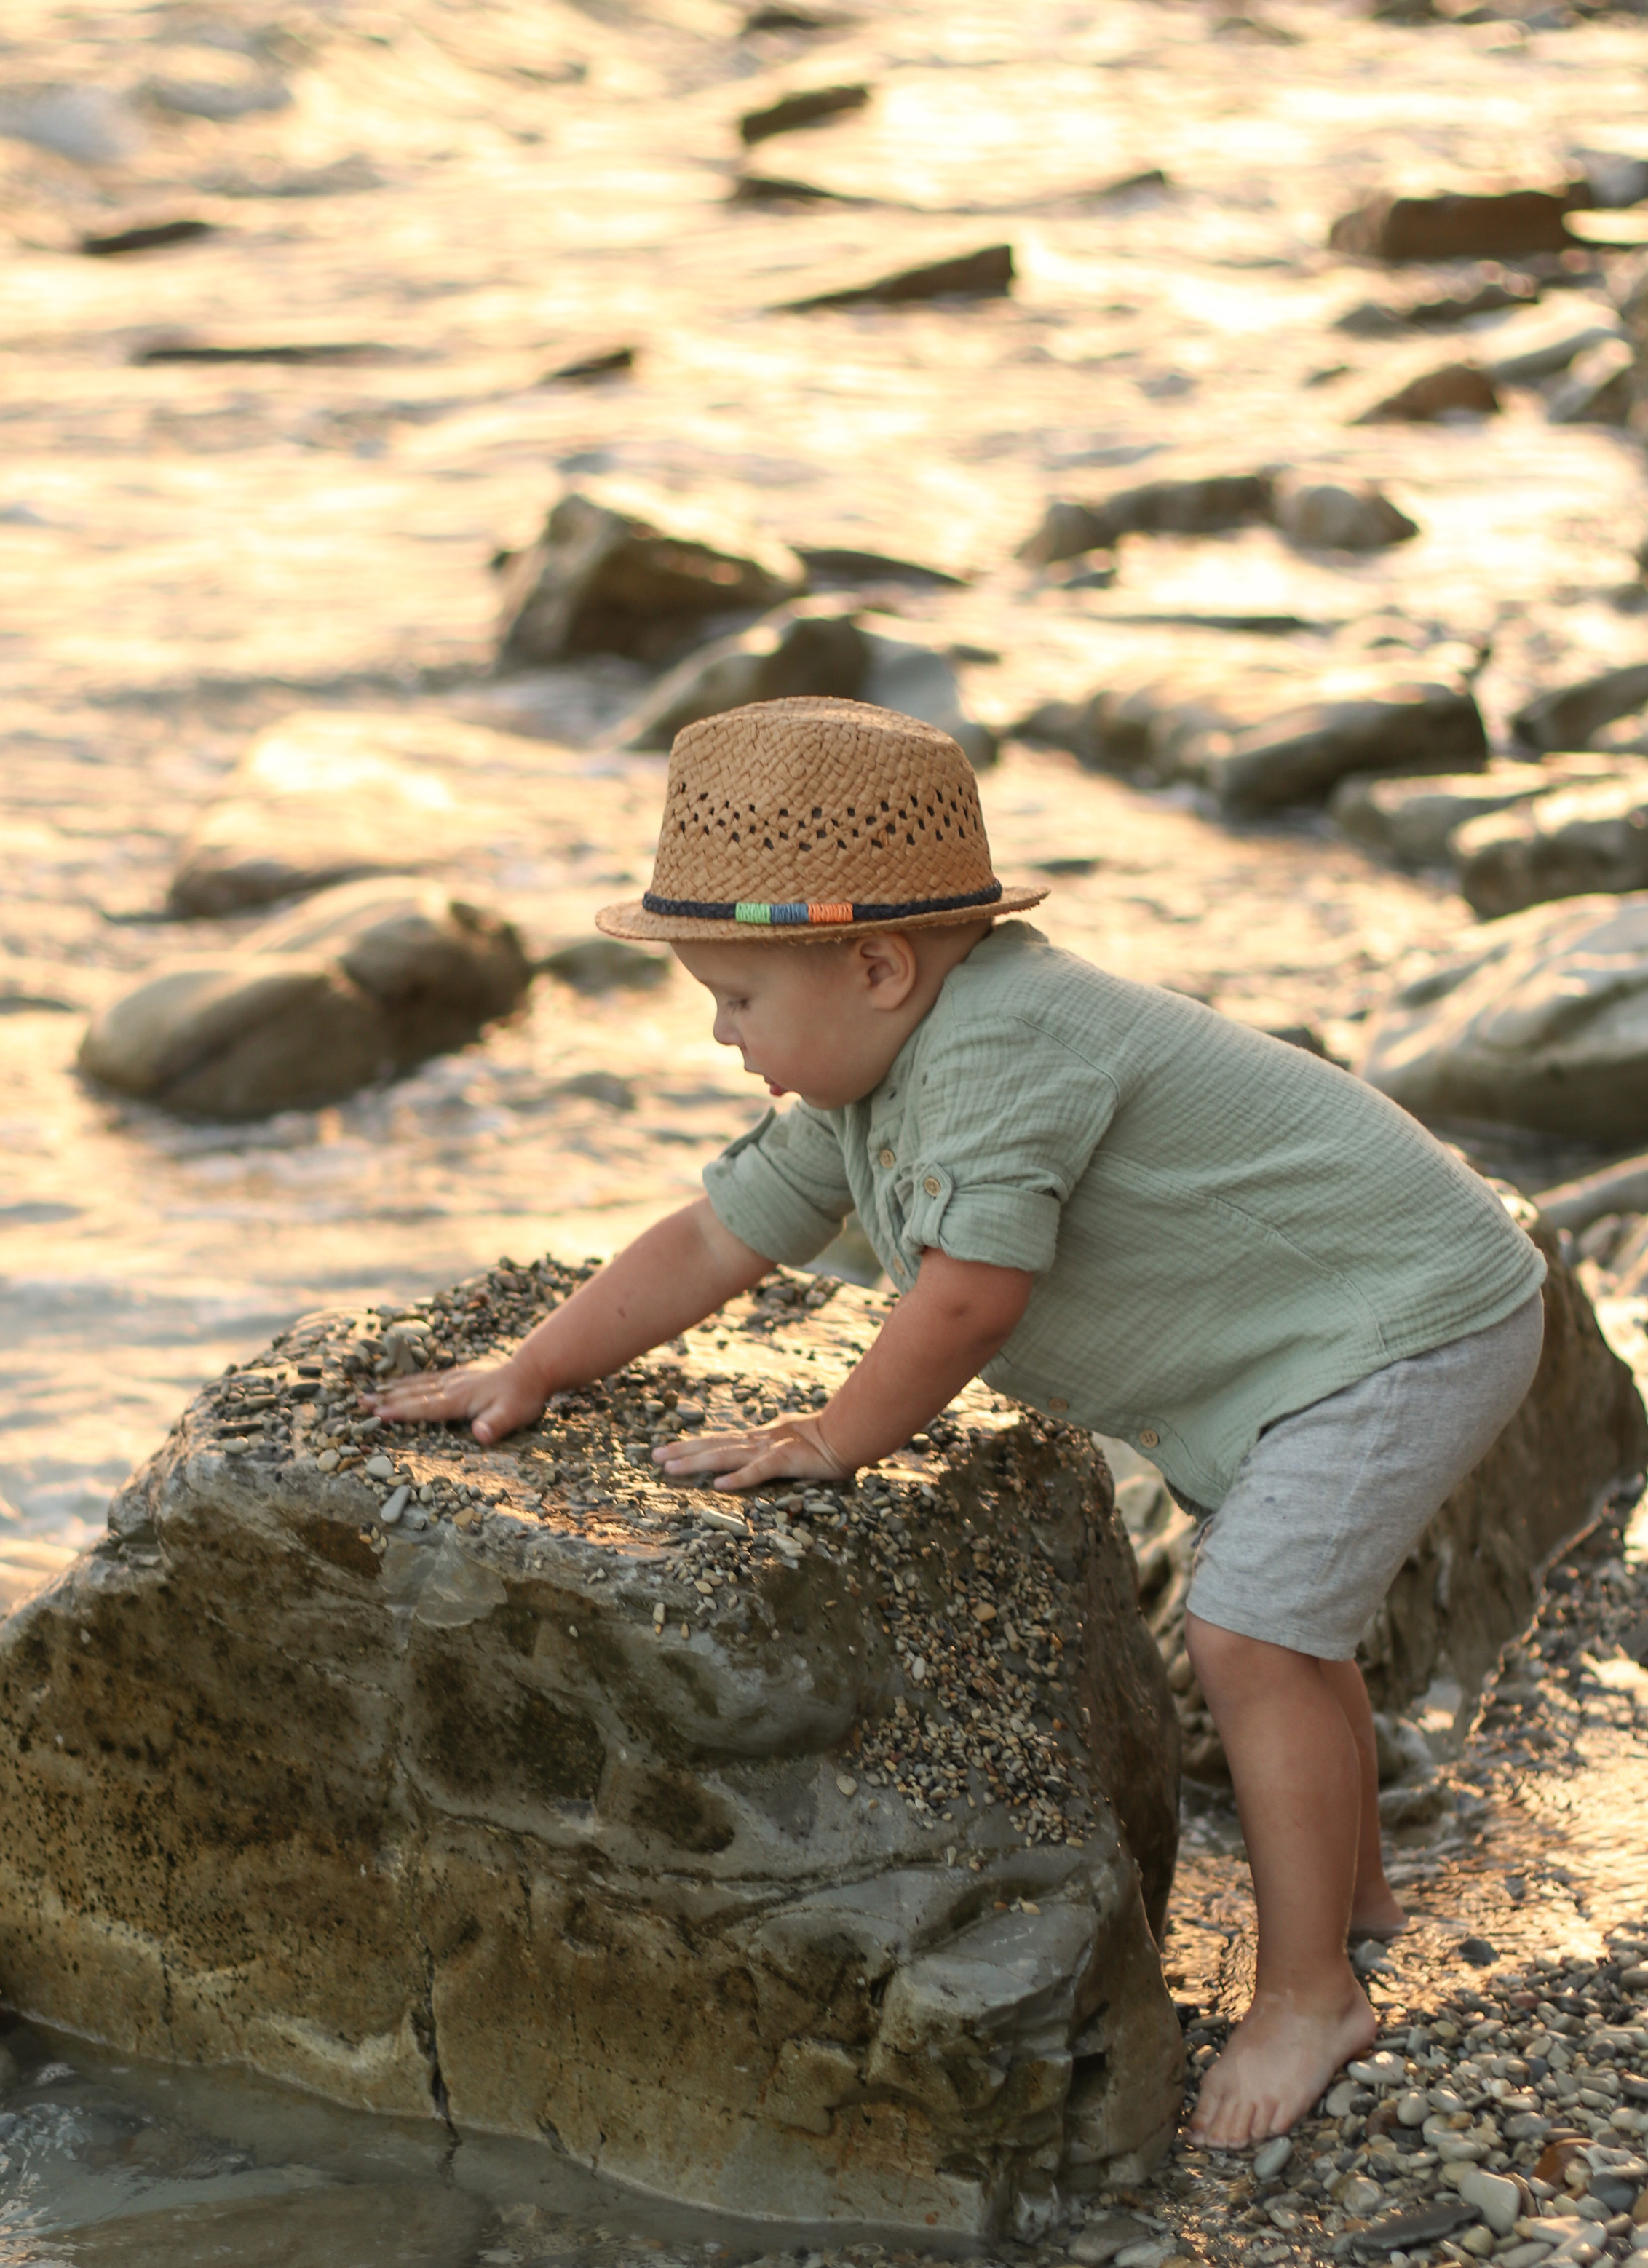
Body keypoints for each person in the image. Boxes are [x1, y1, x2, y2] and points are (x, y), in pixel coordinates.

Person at [365, 698, 1546, 2147]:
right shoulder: (872, 1072)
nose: (724, 1039)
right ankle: (1346, 1895)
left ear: (874, 965)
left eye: (738, 1002)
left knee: (1249, 1631)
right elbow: (713, 1235)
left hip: (1403, 1323)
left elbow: (968, 1301)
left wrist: (832, 1436)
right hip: (1331, 1328)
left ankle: (1310, 1995)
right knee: (1282, 1625)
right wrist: (534, 1369)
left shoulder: (1002, 1046)